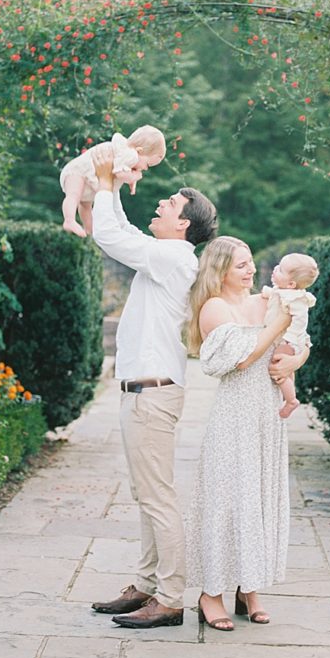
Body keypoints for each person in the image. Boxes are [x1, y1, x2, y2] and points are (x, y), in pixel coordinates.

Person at [89, 146, 218, 629]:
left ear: (184, 224)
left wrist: (104, 184)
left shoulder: (171, 257)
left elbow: (109, 237)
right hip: (144, 393)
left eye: (169, 204)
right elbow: (122, 233)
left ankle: (169, 597)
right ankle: (145, 585)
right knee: (148, 495)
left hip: (151, 395)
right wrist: (115, 188)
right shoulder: (165, 255)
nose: (160, 205)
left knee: (158, 498)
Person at [185, 237, 310, 631]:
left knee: (257, 498)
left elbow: (298, 344)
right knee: (226, 500)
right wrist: (280, 321)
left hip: (267, 414)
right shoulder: (214, 309)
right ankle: (211, 592)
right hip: (235, 415)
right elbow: (242, 358)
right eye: (241, 265)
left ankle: (249, 588)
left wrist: (296, 358)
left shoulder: (265, 301)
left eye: (251, 262)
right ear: (220, 269)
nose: (251, 270)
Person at [59, 125, 166, 237]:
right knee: (73, 195)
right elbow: (119, 173)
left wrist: (131, 181)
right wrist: (135, 177)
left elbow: (123, 170)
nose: (145, 169)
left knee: (85, 205)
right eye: (148, 164)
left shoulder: (127, 155)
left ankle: (89, 230)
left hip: (87, 180)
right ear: (139, 151)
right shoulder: (130, 154)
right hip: (77, 172)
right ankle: (69, 220)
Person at [262, 253, 319, 418]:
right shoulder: (283, 291)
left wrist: (289, 341)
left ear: (291, 283)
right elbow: (272, 294)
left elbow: (300, 321)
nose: (275, 269)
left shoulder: (296, 299)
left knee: (278, 369)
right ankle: (289, 395)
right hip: (284, 339)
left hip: (289, 340)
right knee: (286, 371)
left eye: (280, 270)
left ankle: (291, 400)